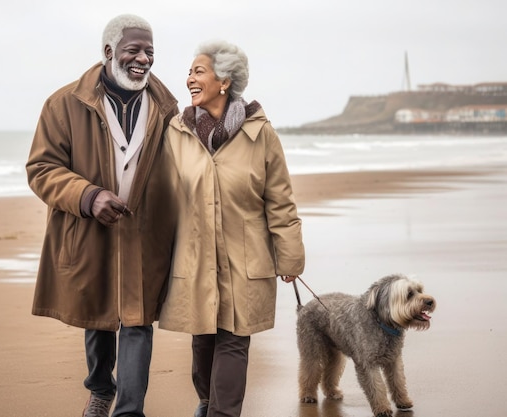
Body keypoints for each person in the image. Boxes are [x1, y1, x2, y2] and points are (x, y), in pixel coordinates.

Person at [26, 14, 178, 417]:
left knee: (136, 321)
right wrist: (89, 196)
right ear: (109, 52)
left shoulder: (168, 108)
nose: (143, 59)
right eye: (134, 50)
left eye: (150, 52)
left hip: (146, 235)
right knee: (98, 315)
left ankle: (129, 410)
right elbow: (41, 169)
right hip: (89, 229)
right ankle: (99, 389)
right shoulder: (63, 104)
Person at [158, 40, 306, 417]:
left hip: (246, 256)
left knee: (233, 340)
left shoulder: (261, 134)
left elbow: (280, 201)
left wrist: (289, 256)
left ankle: (222, 413)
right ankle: (208, 402)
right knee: (203, 338)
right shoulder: (176, 132)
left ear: (224, 81)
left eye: (198, 71)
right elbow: (162, 199)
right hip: (195, 257)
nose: (189, 78)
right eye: (189, 72)